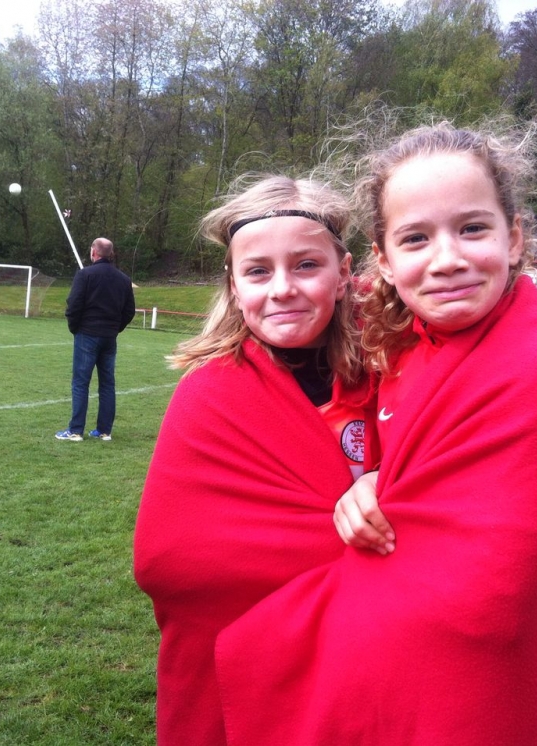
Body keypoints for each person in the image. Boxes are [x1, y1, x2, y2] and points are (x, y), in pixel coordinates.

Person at [214, 122, 537, 744]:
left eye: (472, 228)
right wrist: (377, 476)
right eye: (416, 238)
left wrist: (258, 640)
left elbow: (479, 597)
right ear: (385, 260)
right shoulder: (414, 343)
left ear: (514, 238)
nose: (446, 259)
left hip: (479, 707)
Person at [133, 175, 378, 745]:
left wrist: (389, 485)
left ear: (344, 273)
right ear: (234, 285)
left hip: (371, 663)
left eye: (306, 265)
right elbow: (167, 559)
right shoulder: (209, 395)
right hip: (250, 669)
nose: (283, 289)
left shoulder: (393, 374)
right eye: (259, 271)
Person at [55, 237, 136, 441]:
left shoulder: (85, 275)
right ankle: (104, 430)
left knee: (81, 383)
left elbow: (73, 304)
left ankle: (75, 431)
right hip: (109, 337)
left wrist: (75, 328)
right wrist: (115, 328)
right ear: (111, 254)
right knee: (107, 383)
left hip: (87, 335)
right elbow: (129, 311)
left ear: (94, 252)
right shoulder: (123, 279)